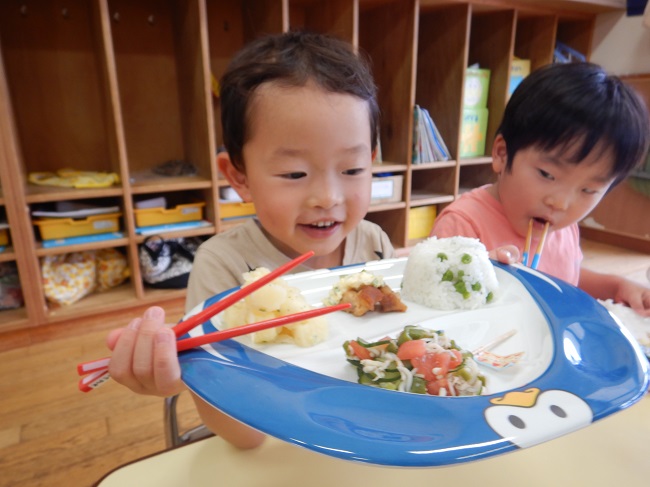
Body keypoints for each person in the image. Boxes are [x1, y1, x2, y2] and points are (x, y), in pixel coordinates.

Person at [105, 31, 395, 450]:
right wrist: (182, 375)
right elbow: (245, 438)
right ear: (238, 177)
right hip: (277, 441)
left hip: (368, 431)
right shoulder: (223, 266)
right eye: (295, 174)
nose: (328, 198)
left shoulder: (374, 243)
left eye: (352, 170)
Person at [431, 62, 650, 316]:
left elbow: (565, 279)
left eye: (588, 190)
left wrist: (616, 286)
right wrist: (474, 278)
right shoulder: (462, 225)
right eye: (547, 174)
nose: (561, 203)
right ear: (502, 154)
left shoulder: (563, 227)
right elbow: (434, 308)